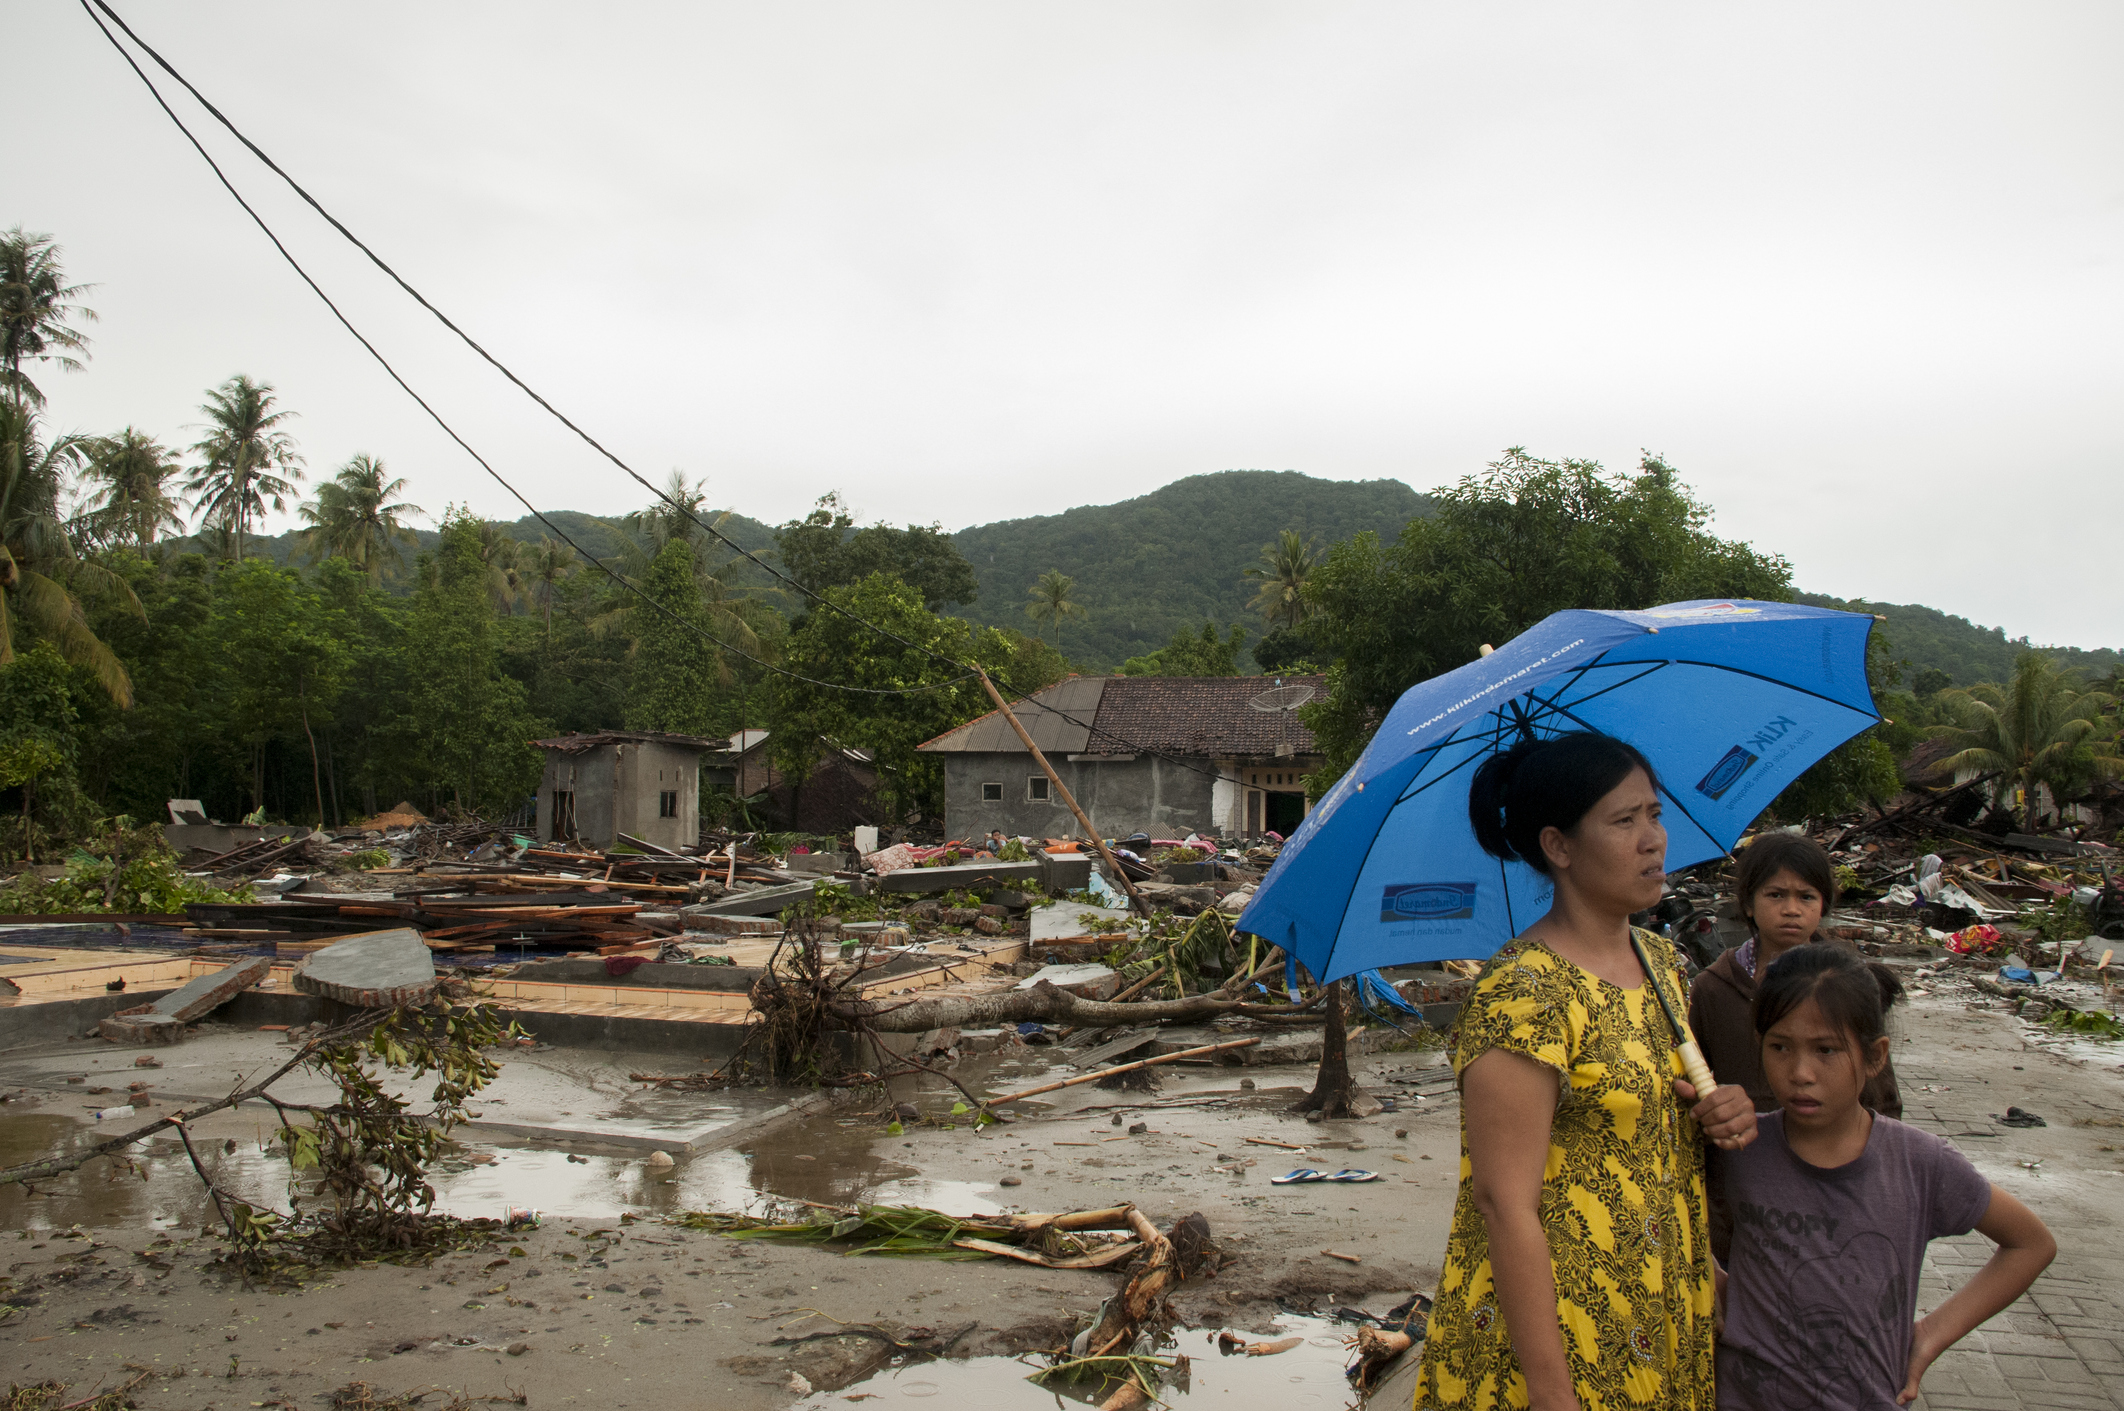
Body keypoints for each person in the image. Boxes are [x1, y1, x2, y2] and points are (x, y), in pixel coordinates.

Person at [1415, 733, 1757, 1411]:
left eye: (1655, 814)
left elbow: (1652, 1131)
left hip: (1660, 1316)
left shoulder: (1662, 963)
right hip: (1560, 1344)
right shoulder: (1524, 993)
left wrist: (1725, 1109)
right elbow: (1503, 1204)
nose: (1653, 839)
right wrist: (1553, 1396)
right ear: (1559, 846)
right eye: (1623, 820)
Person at [1711, 945, 2054, 1409]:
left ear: (1874, 1057)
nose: (1800, 1073)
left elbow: (2030, 1244)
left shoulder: (1920, 1162)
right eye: (1779, 1047)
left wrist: (1931, 1335)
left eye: (1826, 1050)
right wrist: (1719, 1286)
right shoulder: (1739, 1148)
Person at [1688, 833, 1902, 1121]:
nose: (1791, 909)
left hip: (1831, 1152)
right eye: (1775, 895)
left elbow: (1882, 1099)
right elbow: (1691, 1085)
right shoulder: (1713, 989)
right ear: (1749, 904)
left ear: (1823, 905)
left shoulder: (1848, 984)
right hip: (1741, 1151)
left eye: (1806, 897)